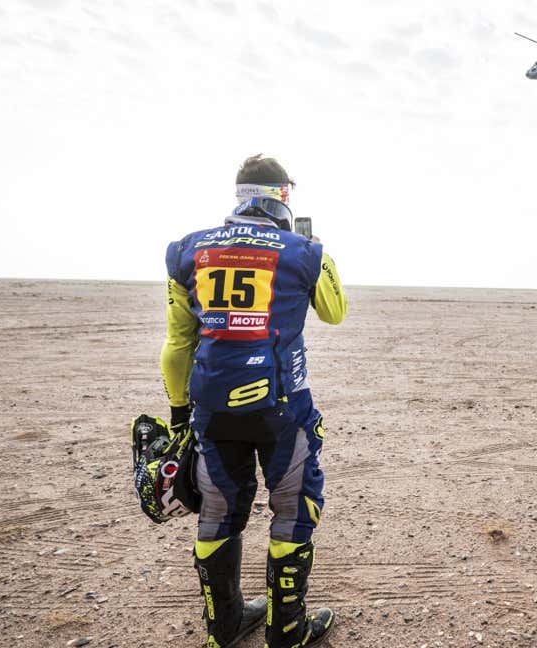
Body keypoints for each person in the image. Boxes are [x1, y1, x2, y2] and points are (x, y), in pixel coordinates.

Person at [161, 155, 346, 647]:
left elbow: (177, 345)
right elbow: (335, 312)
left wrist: (180, 413)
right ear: (282, 195)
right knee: (292, 508)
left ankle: (223, 628)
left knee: (217, 510)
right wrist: (317, 252)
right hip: (281, 407)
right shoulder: (303, 251)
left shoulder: (187, 250)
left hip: (212, 406)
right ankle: (286, 632)